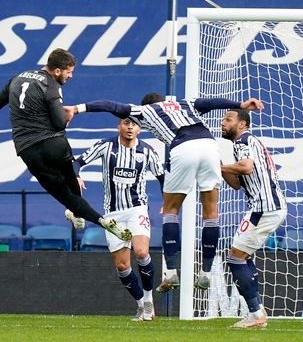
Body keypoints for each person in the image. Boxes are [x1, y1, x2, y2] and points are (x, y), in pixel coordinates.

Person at [65, 93, 264, 293]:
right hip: (210, 146)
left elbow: (112, 104)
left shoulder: (145, 111)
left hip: (183, 147)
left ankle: (170, 273)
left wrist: (78, 108)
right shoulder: (185, 103)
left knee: (171, 211)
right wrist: (241, 104)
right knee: (211, 213)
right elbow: (212, 103)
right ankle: (206, 273)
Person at [0, 48, 131, 241]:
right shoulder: (51, 85)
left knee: (63, 194)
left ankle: (98, 219)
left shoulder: (16, 78)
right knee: (71, 182)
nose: (71, 76)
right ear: (57, 71)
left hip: (27, 149)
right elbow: (59, 122)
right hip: (54, 144)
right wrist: (66, 115)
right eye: (69, 71)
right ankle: (83, 214)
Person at [73, 118, 165, 321]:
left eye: (134, 124)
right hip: (113, 213)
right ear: (119, 127)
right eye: (126, 123)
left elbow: (162, 177)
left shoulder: (147, 151)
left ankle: (149, 302)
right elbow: (77, 162)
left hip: (136, 209)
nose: (130, 127)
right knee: (123, 266)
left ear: (140, 129)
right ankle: (140, 305)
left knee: (141, 252)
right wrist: (77, 175)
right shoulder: (106, 146)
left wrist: (168, 202)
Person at [220, 109, 287, 328]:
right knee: (242, 257)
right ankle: (256, 312)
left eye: (228, 119)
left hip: (264, 208)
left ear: (242, 124)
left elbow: (246, 168)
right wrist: (221, 169)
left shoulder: (243, 141)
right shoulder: (248, 143)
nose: (223, 122)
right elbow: (239, 184)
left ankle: (257, 314)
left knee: (235, 258)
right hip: (267, 207)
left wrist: (216, 166)